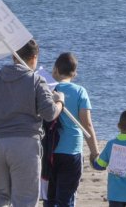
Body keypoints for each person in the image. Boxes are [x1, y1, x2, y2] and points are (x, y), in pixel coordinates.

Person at [0, 39, 65, 207]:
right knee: (25, 199)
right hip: (25, 144)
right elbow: (50, 114)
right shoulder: (36, 80)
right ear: (34, 57)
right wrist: (60, 102)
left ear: (14, 56)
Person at [44, 52, 98, 207]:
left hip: (49, 151)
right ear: (74, 73)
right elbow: (87, 124)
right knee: (66, 198)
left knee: (49, 197)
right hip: (71, 151)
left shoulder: (47, 89)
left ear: (55, 70)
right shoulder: (80, 91)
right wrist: (94, 152)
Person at [91, 109, 126, 207]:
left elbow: (99, 166)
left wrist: (93, 158)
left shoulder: (111, 144)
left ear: (118, 126)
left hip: (114, 195)